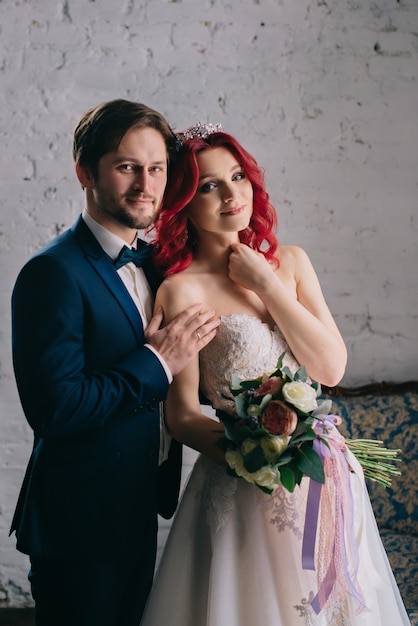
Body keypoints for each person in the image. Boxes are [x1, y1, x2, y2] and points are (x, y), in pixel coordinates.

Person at [139, 123, 411, 625]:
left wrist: (266, 283)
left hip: (324, 475)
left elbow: (330, 368)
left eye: (238, 176)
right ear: (181, 202)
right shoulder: (178, 291)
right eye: (208, 185)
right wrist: (253, 451)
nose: (231, 194)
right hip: (242, 485)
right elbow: (180, 417)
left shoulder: (290, 263)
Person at [9, 100, 220, 626]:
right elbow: (56, 410)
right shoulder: (51, 273)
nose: (145, 185)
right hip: (79, 524)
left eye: (157, 169)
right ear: (85, 172)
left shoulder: (158, 263)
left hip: (138, 508)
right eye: (127, 167)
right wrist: (155, 360)